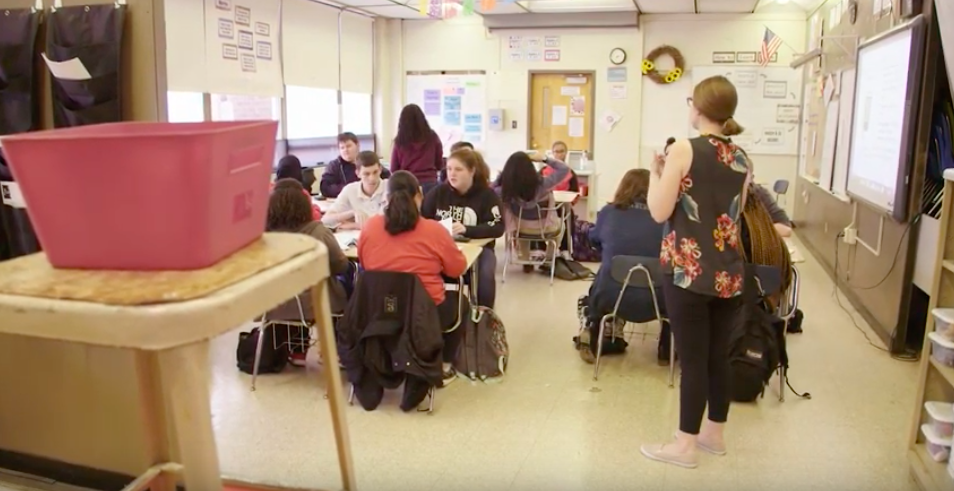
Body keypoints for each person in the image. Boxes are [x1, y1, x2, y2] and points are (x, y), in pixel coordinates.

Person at [641, 75, 751, 469]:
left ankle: (684, 444)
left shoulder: (684, 149)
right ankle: (713, 435)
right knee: (717, 355)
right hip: (728, 271)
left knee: (691, 358)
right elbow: (733, 211)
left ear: (699, 108)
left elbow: (658, 210)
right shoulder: (741, 158)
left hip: (688, 269)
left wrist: (656, 170)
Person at [358, 170, 468, 386]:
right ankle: (443, 365)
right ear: (419, 195)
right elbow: (457, 270)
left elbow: (364, 263)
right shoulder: (434, 230)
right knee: (460, 303)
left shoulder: (370, 226)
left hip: (381, 310)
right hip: (424, 314)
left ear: (386, 198)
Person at [576, 169, 669, 364]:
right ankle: (668, 345)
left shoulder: (609, 213)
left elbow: (594, 239)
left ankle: (594, 326)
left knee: (607, 268)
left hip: (612, 296)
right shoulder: (667, 217)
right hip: (659, 300)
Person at [267, 178, 350, 365]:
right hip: (315, 303)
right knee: (341, 282)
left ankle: (297, 351)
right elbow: (340, 265)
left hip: (274, 303)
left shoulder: (264, 237)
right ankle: (336, 349)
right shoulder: (318, 232)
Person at [422, 148, 504, 309]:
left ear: (472, 171)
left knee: (485, 273)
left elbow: (498, 227)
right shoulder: (438, 192)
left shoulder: (487, 196)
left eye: (458, 170)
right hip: (440, 248)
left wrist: (467, 230)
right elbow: (422, 219)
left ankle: (483, 316)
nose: (452, 174)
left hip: (478, 250)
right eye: (449, 169)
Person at [496, 150, 570, 270]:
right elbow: (564, 169)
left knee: (521, 222)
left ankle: (525, 259)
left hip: (519, 229)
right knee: (561, 225)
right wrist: (545, 159)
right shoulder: (544, 184)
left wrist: (502, 176)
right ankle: (549, 258)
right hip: (546, 228)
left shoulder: (505, 191)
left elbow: (490, 188)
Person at [322, 151, 388, 231]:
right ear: (358, 173)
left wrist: (355, 225)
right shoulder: (350, 190)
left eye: (375, 172)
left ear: (380, 169)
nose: (372, 178)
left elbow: (394, 223)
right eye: (366, 174)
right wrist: (352, 212)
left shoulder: (391, 187)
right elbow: (325, 220)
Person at [391, 104, 443, 195]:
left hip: (407, 184)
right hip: (430, 183)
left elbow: (394, 168)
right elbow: (439, 163)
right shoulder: (432, 137)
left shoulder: (400, 141)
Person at [320, 132, 391, 198]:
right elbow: (325, 188)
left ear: (357, 146)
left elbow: (387, 177)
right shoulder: (334, 166)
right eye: (342, 148)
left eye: (348, 146)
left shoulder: (367, 160)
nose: (345, 150)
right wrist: (351, 189)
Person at [275, 155, 322, 220]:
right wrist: (316, 208)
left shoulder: (270, 192)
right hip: (299, 229)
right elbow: (315, 216)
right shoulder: (302, 193)